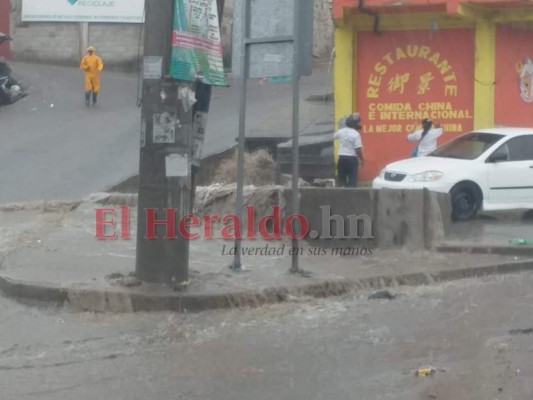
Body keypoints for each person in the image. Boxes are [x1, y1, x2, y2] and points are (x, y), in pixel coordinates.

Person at [334, 113, 365, 187]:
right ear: (354, 124)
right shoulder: (356, 134)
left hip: (342, 158)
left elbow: (333, 137)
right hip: (352, 159)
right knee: (352, 179)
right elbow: (358, 149)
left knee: (341, 179)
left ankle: (341, 195)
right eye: (358, 122)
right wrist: (362, 160)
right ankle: (351, 196)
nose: (359, 124)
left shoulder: (341, 131)